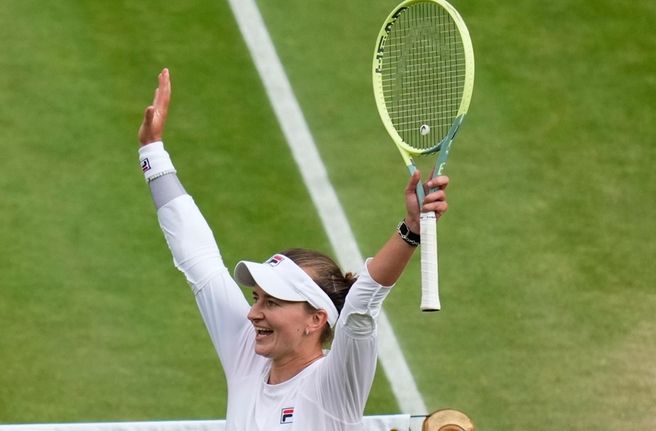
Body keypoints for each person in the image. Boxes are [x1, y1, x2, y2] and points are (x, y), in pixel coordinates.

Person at [137, 68, 449, 431]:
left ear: (316, 319)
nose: (253, 314)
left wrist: (411, 229)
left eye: (271, 302)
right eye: (256, 298)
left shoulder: (333, 386)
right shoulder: (246, 355)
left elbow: (362, 304)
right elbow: (199, 259)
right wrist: (152, 151)